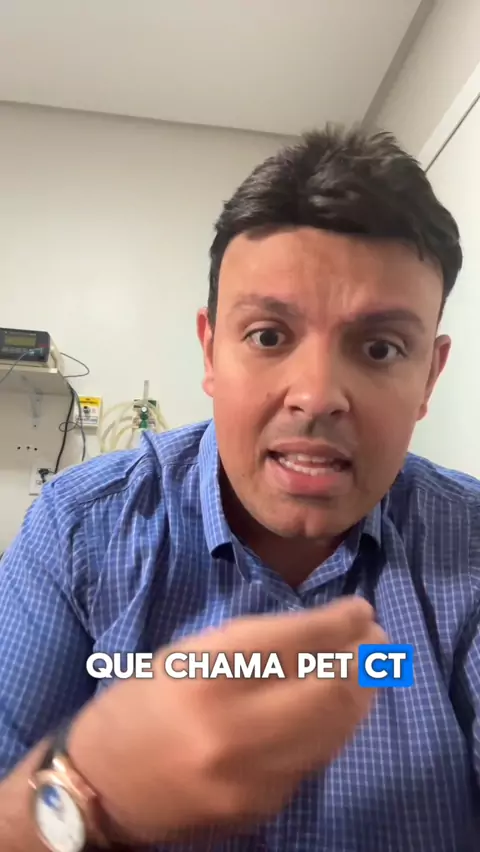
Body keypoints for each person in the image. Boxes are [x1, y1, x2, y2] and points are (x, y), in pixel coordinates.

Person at [0, 124, 478, 852]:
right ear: (210, 350)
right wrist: (92, 793)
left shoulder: (470, 543)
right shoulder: (79, 530)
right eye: (268, 336)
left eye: (380, 348)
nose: (317, 396)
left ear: (430, 378)